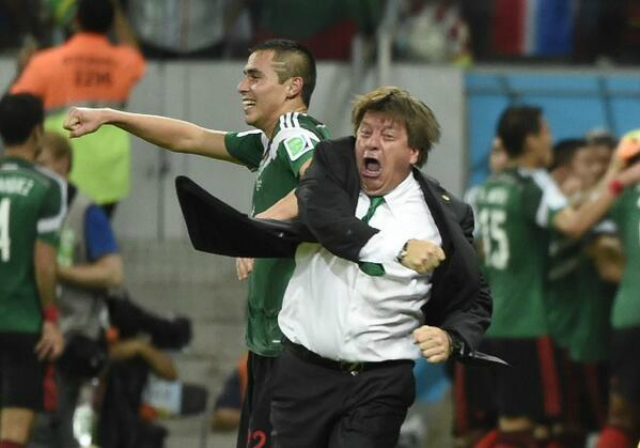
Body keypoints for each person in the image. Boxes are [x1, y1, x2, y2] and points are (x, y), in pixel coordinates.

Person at [62, 39, 328, 448]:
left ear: (293, 86)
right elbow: (189, 137)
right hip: (271, 342)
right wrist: (112, 117)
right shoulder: (270, 142)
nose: (242, 86)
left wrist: (254, 230)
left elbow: (320, 184)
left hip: (292, 344)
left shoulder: (296, 133)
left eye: (255, 76)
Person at [264, 85, 494, 447]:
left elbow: (473, 298)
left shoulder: (446, 216)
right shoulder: (331, 171)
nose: (371, 144)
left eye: (388, 136)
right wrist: (398, 249)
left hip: (380, 383)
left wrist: (451, 337)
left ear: (414, 152)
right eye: (365, 132)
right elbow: (326, 221)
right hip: (303, 374)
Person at [475, 105, 640, 447]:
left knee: (523, 427)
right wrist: (616, 182)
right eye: (546, 131)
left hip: (495, 316)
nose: (551, 138)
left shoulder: (490, 187)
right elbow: (574, 225)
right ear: (531, 139)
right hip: (527, 321)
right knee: (527, 429)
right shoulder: (533, 184)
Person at [11, 0, 146, 219]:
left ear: (76, 20)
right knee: (95, 233)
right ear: (111, 23)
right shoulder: (124, 61)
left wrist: (22, 70)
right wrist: (114, 9)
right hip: (108, 173)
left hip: (59, 164)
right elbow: (135, 53)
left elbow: (15, 104)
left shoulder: (46, 62)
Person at [35, 131, 123, 448]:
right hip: (31, 337)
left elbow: (113, 273)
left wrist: (56, 271)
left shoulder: (86, 212)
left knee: (59, 429)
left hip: (72, 338)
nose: (36, 172)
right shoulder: (29, 209)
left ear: (63, 163)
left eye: (42, 163)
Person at [0, 93, 66, 448]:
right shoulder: (47, 186)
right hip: (23, 321)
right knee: (14, 430)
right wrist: (51, 318)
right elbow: (44, 260)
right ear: (37, 132)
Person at [596, 130, 640, 448]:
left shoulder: (619, 196)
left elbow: (583, 216)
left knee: (622, 417)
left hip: (631, 311)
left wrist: (615, 175)